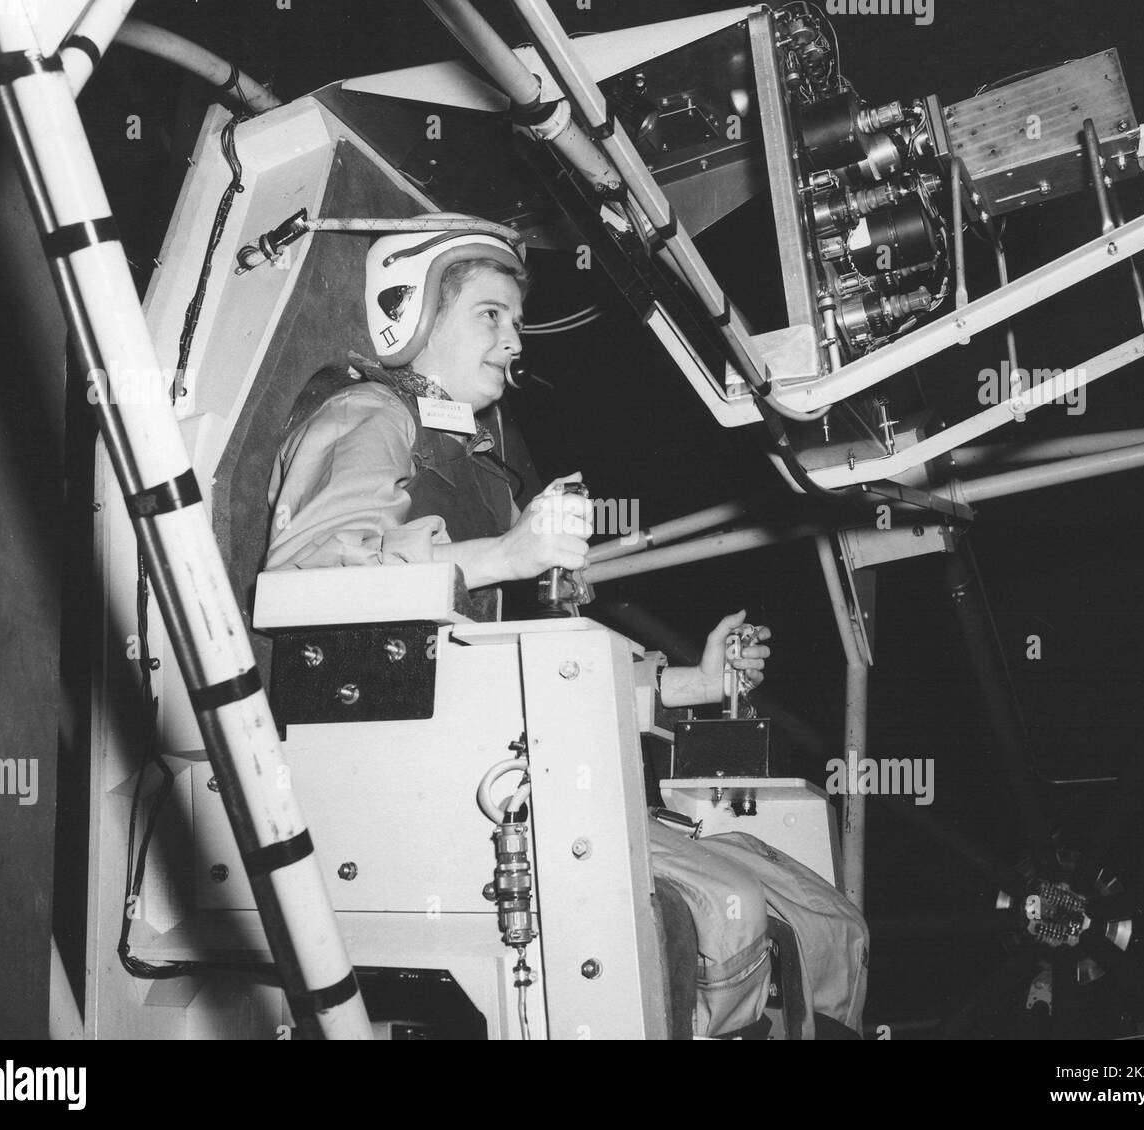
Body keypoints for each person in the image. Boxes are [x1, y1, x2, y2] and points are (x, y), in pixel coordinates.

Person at [265, 216, 866, 1038]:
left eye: (515, 322)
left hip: (509, 762)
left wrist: (692, 681)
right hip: (419, 778)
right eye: (490, 315)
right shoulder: (371, 416)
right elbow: (312, 577)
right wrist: (506, 553)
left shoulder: (486, 473)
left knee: (823, 917)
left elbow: (542, 659)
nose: (515, 342)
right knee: (729, 907)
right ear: (412, 313)